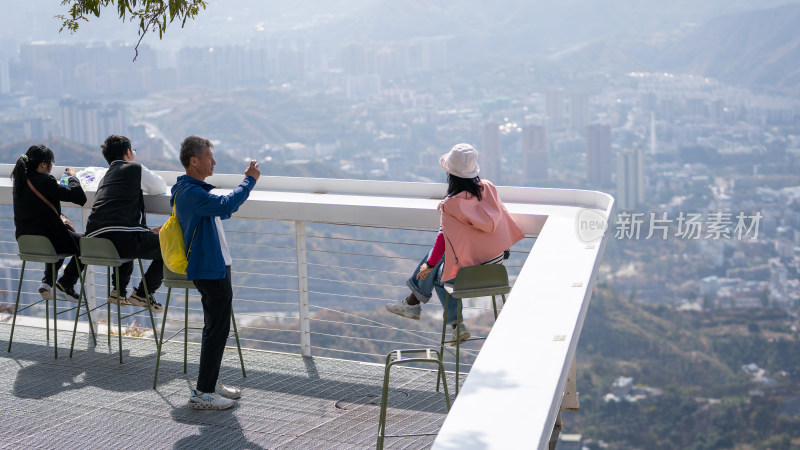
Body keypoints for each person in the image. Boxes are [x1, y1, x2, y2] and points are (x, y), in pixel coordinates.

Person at [385, 143, 524, 344]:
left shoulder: (451, 204)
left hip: (470, 273)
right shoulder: (488, 188)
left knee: (438, 273)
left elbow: (442, 240)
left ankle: (446, 320)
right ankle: (413, 303)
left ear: (451, 175)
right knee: (441, 259)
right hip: (496, 265)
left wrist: (429, 265)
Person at [173, 135, 260, 410]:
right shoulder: (190, 193)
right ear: (194, 160)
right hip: (210, 268)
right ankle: (202, 392)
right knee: (216, 329)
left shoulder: (190, 190)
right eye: (209, 156)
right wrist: (250, 180)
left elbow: (220, 211)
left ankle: (208, 383)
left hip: (215, 265)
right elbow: (226, 206)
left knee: (217, 328)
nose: (214, 161)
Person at [84, 135, 168, 312]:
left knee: (127, 236)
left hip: (92, 241)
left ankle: (119, 291)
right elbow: (159, 187)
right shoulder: (133, 168)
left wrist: (142, 230)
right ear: (128, 152)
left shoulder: (105, 176)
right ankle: (144, 293)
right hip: (121, 240)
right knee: (171, 246)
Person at [12, 145, 87, 303]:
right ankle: (66, 285)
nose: (52, 167)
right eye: (51, 163)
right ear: (43, 164)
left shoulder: (20, 181)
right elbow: (80, 198)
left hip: (25, 242)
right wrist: (72, 177)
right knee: (85, 244)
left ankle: (47, 282)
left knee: (61, 236)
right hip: (49, 241)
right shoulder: (45, 180)